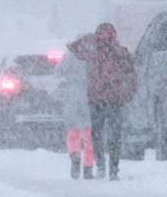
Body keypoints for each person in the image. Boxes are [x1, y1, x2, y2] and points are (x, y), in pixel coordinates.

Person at [69, 23, 137, 180]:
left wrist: (87, 39)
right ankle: (112, 169)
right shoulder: (119, 52)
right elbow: (132, 75)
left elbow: (74, 48)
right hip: (113, 100)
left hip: (99, 99)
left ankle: (103, 166)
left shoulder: (93, 52)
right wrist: (129, 93)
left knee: (98, 135)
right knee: (112, 136)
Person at [55, 51, 95, 179]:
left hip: (72, 96)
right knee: (89, 135)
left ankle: (74, 154)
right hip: (89, 96)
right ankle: (88, 167)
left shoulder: (70, 55)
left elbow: (58, 71)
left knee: (73, 131)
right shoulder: (93, 55)